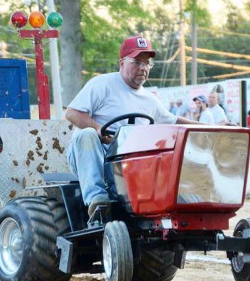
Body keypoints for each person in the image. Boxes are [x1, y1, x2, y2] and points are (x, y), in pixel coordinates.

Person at [65, 35, 199, 218]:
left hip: (127, 162)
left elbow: (174, 121)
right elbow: (71, 113)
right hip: (94, 154)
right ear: (121, 62)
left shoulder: (150, 100)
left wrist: (212, 126)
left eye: (147, 63)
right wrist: (98, 128)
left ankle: (165, 206)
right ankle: (98, 201)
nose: (143, 68)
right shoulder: (102, 84)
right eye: (137, 62)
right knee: (86, 134)